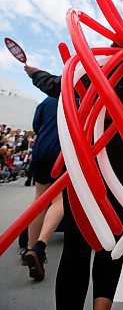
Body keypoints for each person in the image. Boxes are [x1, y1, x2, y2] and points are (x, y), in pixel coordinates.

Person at [24, 61, 123, 310]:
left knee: (76, 252)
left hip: (86, 168)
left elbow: (58, 85)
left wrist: (34, 74)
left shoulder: (94, 73)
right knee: (111, 249)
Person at [21, 96, 64, 281]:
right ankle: (40, 246)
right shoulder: (79, 97)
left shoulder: (47, 100)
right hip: (61, 152)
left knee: (40, 199)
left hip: (41, 150)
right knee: (59, 199)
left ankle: (29, 248)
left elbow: (37, 126)